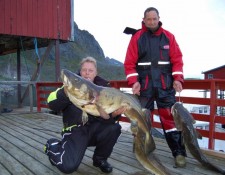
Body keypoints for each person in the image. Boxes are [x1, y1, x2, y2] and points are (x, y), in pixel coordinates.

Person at [124, 7, 187, 167]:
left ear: (159, 18)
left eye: (154, 18)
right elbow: (129, 63)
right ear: (144, 20)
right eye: (148, 19)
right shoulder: (137, 37)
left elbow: (177, 60)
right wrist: (134, 82)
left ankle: (178, 153)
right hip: (144, 87)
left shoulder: (169, 37)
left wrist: (178, 78)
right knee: (143, 119)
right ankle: (142, 149)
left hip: (165, 86)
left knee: (171, 120)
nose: (151, 21)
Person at [44, 57, 124, 174]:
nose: (87, 73)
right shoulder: (69, 86)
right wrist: (65, 93)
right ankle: (52, 145)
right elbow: (51, 103)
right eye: (84, 70)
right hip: (75, 131)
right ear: (80, 72)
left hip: (94, 130)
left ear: (96, 73)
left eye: (90, 70)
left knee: (114, 128)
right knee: (68, 167)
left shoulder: (105, 91)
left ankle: (100, 160)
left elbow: (108, 119)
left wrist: (114, 115)